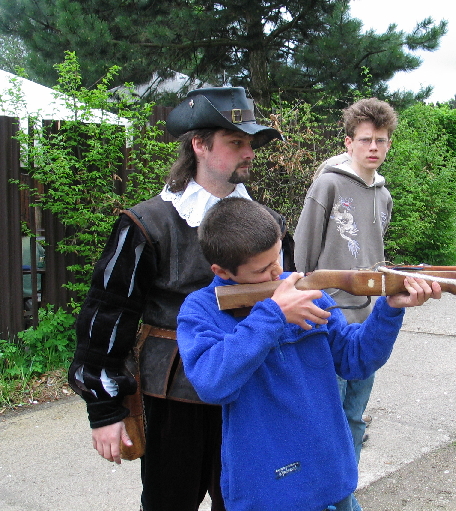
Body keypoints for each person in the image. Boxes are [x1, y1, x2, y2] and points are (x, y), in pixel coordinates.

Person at [68, 87, 288, 511]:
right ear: (200, 145)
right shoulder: (147, 223)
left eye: (250, 143)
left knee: (247, 503)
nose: (249, 153)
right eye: (235, 142)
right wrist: (105, 409)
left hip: (247, 389)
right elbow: (107, 317)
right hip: (172, 396)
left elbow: (285, 308)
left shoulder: (269, 224)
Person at [176, 197, 442, 511]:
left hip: (331, 476)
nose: (278, 272)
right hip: (268, 493)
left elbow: (356, 360)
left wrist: (390, 309)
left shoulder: (304, 291)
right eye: (263, 269)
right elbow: (210, 383)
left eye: (278, 257)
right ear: (222, 270)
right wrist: (274, 315)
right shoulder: (201, 309)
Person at [293, 97, 397, 508]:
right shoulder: (328, 186)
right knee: (327, 419)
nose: (373, 147)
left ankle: (344, 493)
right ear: (349, 142)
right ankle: (324, 498)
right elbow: (303, 259)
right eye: (366, 139)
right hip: (330, 322)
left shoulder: (384, 195)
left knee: (354, 416)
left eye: (381, 140)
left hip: (367, 322)